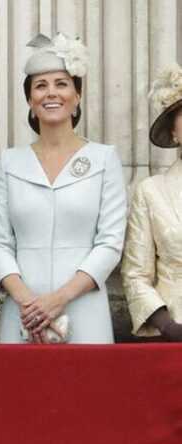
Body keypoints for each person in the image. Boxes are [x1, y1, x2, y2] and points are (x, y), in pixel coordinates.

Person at [0, 34, 125, 344]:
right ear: (30, 100)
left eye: (61, 84)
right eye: (40, 85)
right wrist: (30, 304)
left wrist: (59, 299)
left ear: (77, 96)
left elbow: (110, 242)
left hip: (84, 308)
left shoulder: (104, 158)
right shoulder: (10, 162)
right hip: (23, 313)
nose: (51, 93)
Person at [121, 64, 182, 341]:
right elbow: (135, 274)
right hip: (174, 333)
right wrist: (169, 327)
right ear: (173, 132)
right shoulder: (151, 191)